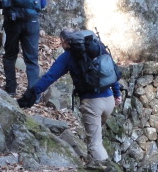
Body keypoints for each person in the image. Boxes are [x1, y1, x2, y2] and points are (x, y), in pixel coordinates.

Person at [18, 29, 122, 162]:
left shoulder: (68, 56)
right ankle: (92, 165)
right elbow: (111, 70)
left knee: (95, 144)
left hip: (92, 104)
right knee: (95, 137)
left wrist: (30, 96)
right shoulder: (97, 47)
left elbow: (50, 77)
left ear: (64, 41)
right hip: (109, 100)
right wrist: (117, 93)